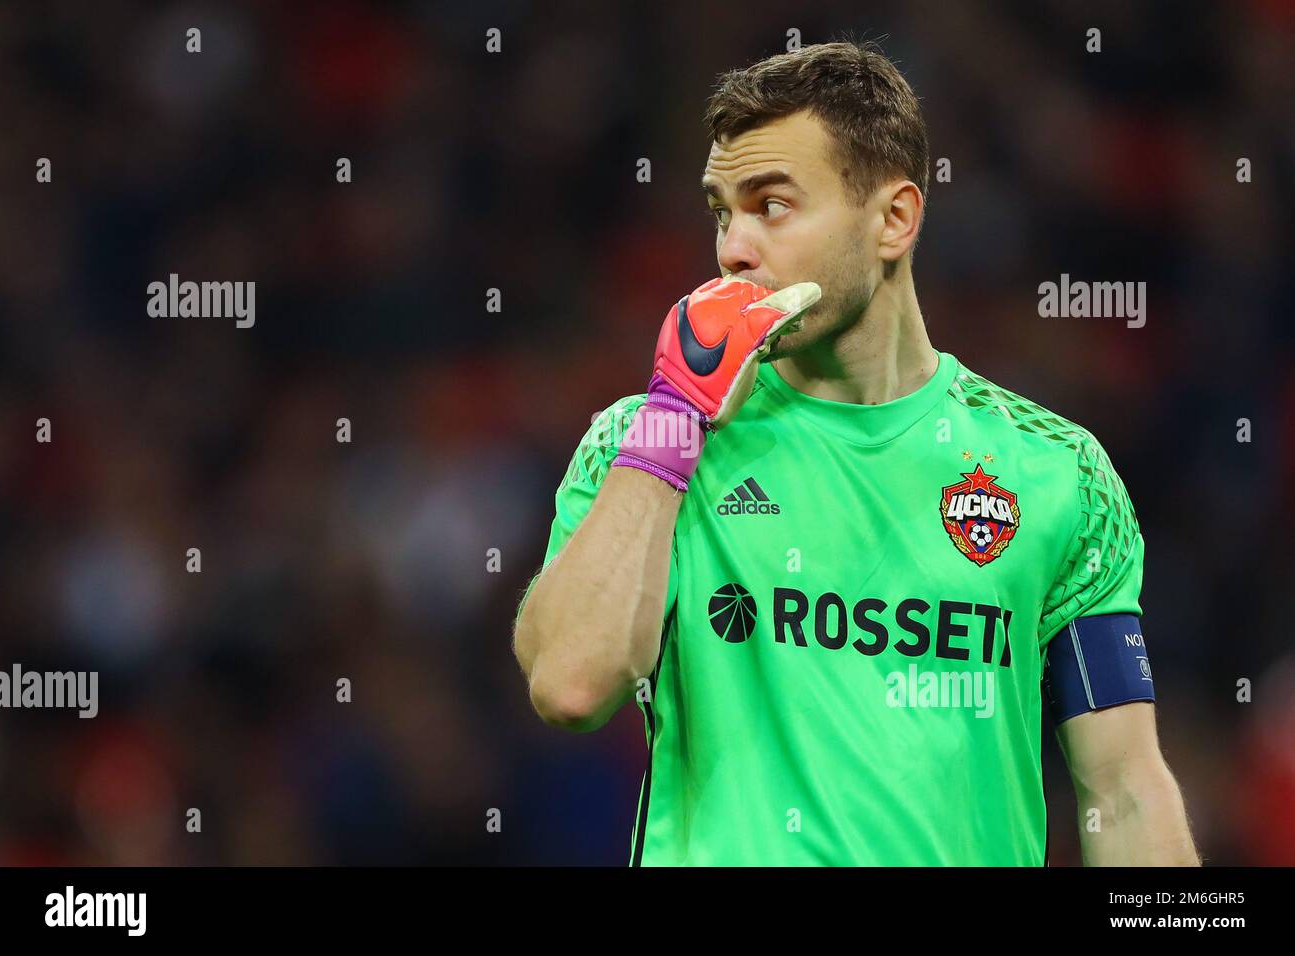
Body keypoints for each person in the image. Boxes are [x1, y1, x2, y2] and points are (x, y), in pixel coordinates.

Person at [513, 39, 1198, 867]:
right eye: (721, 210)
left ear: (895, 219)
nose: (732, 247)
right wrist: (674, 420)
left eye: (772, 205)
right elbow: (570, 686)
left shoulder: (1054, 473)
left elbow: (1121, 789)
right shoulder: (648, 443)